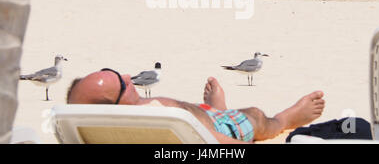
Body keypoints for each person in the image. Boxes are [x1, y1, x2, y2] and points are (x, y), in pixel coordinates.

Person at [67, 69, 325, 144]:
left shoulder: (105, 132)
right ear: (117, 108)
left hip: (203, 117)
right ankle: (288, 117)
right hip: (221, 128)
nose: (127, 77)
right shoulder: (158, 122)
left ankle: (217, 107)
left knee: (206, 111)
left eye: (112, 72)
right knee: (257, 116)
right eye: (121, 86)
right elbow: (217, 144)